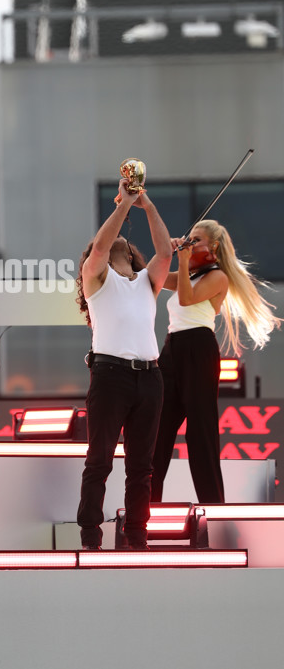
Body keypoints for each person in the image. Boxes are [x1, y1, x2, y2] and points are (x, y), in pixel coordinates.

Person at [151, 220, 282, 504]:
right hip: (172, 348)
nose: (190, 243)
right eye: (189, 238)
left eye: (196, 239)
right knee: (158, 432)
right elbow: (154, 277)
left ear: (213, 246)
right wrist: (166, 251)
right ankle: (145, 509)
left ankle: (212, 507)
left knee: (201, 433)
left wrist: (182, 261)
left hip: (198, 347)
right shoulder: (188, 273)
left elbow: (186, 300)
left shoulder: (217, 277)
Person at [75, 179, 172, 550]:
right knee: (99, 460)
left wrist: (146, 204)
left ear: (132, 256)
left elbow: (165, 253)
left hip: (150, 377)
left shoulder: (147, 282)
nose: (119, 241)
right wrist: (124, 204)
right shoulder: (97, 279)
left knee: (142, 465)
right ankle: (90, 534)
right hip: (110, 375)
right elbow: (101, 246)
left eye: (125, 242)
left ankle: (136, 535)